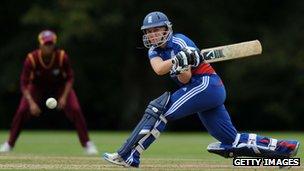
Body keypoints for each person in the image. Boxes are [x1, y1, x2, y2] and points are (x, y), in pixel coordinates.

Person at [102, 11, 300, 167]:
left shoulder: (181, 41)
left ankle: (127, 155)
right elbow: (162, 70)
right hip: (199, 88)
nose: (152, 34)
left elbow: (189, 76)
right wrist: (178, 63)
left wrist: (183, 60)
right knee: (231, 139)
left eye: (156, 30)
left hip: (207, 84)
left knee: (158, 110)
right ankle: (285, 150)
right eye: (148, 31)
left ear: (165, 29)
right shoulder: (153, 51)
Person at [0, 30, 98, 155]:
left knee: (75, 109)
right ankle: (9, 144)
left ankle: (87, 144)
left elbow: (69, 78)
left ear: (54, 44)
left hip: (60, 86)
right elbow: (24, 83)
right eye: (46, 44)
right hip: (37, 87)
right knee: (22, 110)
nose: (48, 47)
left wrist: (63, 97)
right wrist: (31, 103)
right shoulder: (32, 58)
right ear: (40, 45)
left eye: (50, 44)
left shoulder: (62, 56)